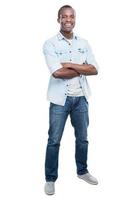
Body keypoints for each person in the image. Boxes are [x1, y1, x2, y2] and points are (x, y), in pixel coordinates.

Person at [43, 5, 99, 195]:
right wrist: (81, 68)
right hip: (60, 100)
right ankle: (50, 179)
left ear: (75, 19)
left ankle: (82, 171)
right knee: (54, 140)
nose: (68, 20)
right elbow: (57, 73)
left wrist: (69, 65)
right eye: (64, 16)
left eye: (71, 16)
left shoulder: (83, 42)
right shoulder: (50, 44)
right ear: (58, 19)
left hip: (81, 99)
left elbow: (94, 69)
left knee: (82, 139)